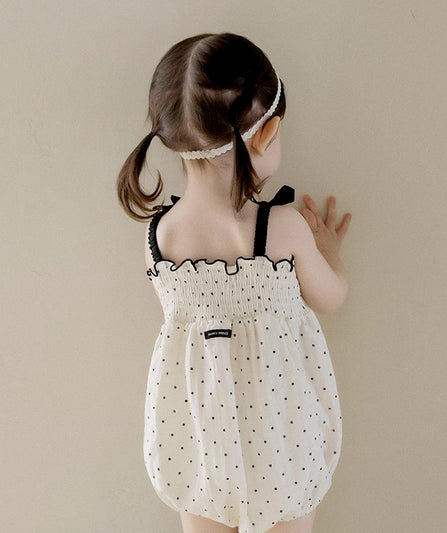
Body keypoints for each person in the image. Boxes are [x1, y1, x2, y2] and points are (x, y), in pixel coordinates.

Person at [116, 32, 352, 533]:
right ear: (267, 134)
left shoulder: (160, 236)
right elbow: (331, 296)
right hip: (282, 438)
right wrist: (329, 251)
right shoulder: (282, 229)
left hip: (197, 441)